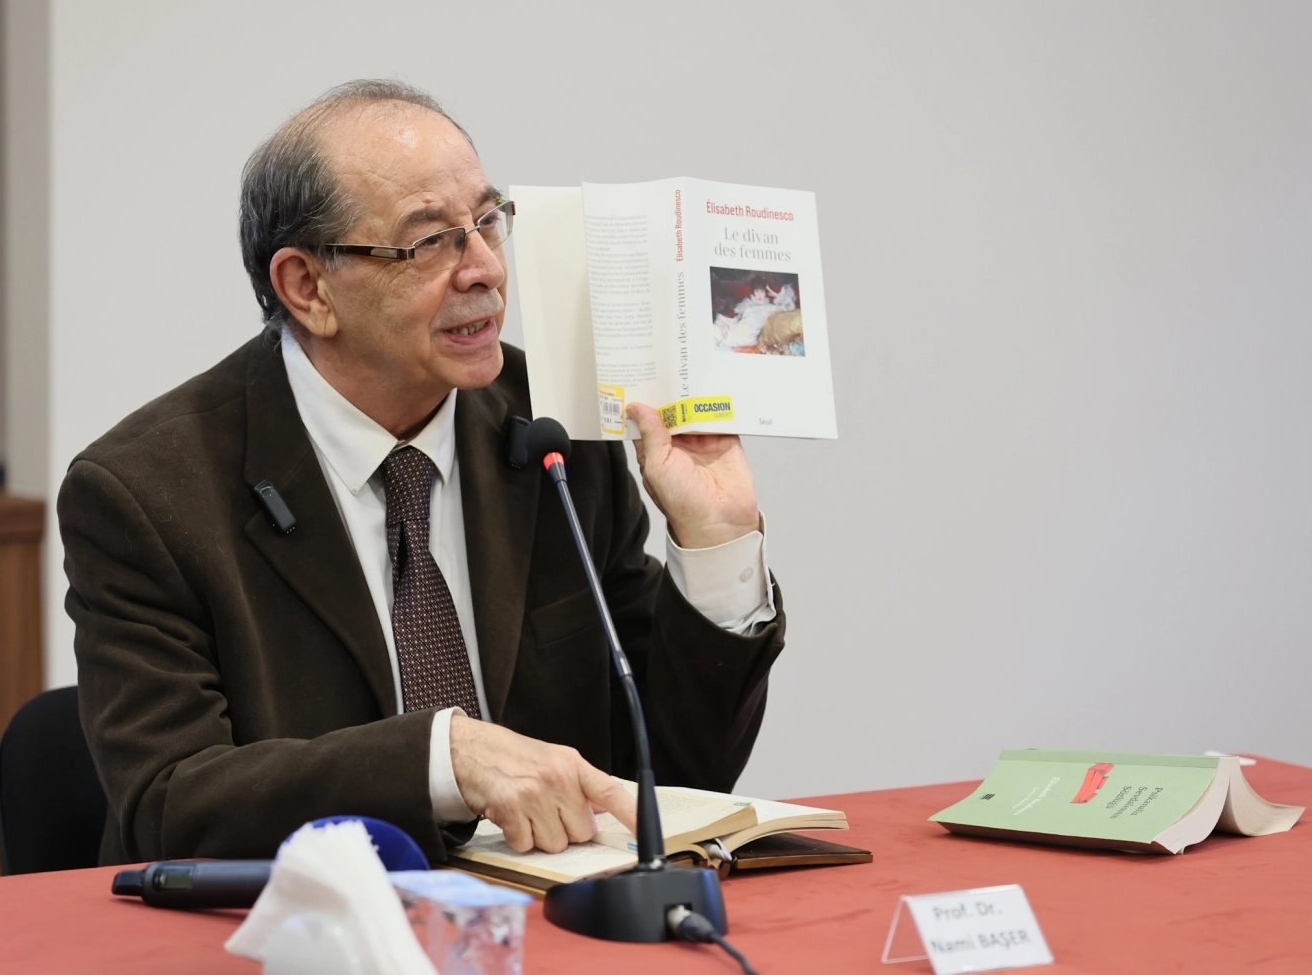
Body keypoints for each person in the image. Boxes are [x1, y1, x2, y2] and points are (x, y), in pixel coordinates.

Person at [59, 80, 786, 866]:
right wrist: (442, 761)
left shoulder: (553, 432)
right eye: (431, 242)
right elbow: (169, 805)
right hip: (304, 923)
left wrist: (717, 546)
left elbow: (674, 773)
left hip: (546, 915)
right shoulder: (146, 493)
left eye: (487, 223)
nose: (485, 270)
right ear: (307, 287)